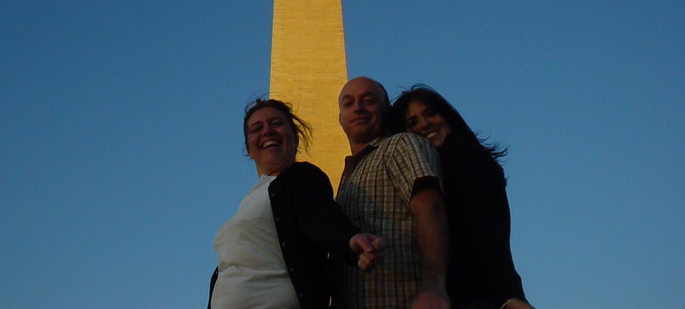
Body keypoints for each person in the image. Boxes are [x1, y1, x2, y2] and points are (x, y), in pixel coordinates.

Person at [209, 98, 384, 309]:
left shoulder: (301, 177)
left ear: (295, 138)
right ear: (248, 149)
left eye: (276, 123)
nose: (267, 131)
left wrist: (348, 239)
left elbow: (317, 212)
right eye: (257, 128)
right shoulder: (252, 197)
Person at [391, 86, 535, 309]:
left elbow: (487, 228)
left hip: (477, 295)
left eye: (430, 114)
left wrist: (508, 294)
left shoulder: (462, 154)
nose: (424, 124)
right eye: (412, 123)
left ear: (447, 116)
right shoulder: (437, 165)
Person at [335, 76, 450, 309]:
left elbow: (431, 207)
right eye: (348, 103)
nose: (358, 108)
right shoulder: (349, 176)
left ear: (386, 111)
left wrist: (433, 288)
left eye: (368, 100)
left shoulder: (400, 145)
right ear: (340, 118)